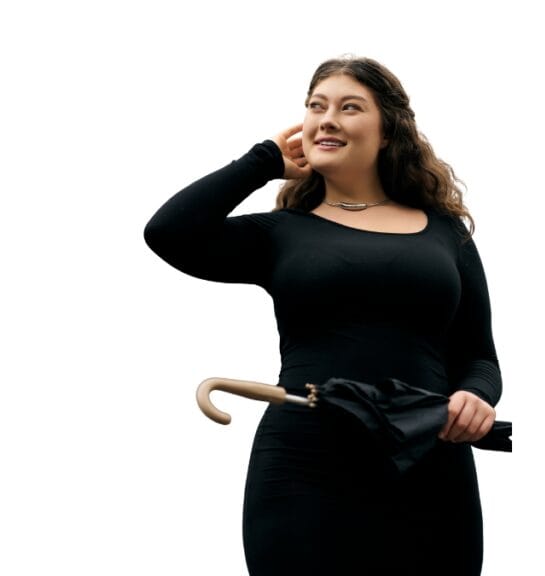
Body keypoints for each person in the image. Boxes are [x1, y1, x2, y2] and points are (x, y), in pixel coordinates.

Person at [145, 56, 502, 575]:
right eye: (316, 107)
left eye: (349, 107)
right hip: (304, 463)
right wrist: (263, 159)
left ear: (387, 133)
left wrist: (476, 396)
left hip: (429, 461)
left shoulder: (444, 232)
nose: (327, 119)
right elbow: (169, 232)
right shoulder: (281, 233)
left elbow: (479, 358)